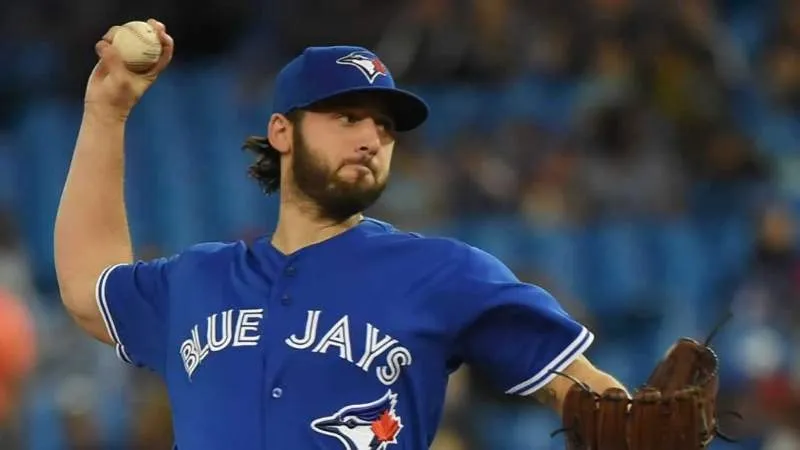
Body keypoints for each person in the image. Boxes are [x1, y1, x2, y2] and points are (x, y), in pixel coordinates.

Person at [54, 19, 628, 449]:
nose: (371, 139)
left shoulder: (445, 274)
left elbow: (579, 385)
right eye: (347, 117)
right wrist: (108, 113)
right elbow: (87, 288)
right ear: (282, 131)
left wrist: (624, 420)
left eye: (384, 126)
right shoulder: (198, 279)